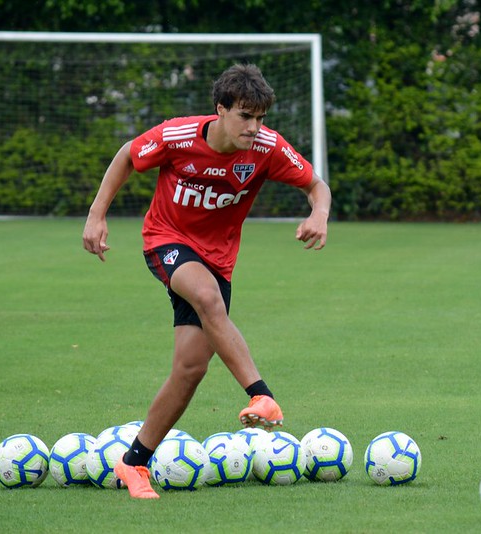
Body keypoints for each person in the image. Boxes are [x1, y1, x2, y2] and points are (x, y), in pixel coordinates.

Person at [82, 63, 331, 499]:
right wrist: (96, 214)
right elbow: (127, 155)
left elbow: (317, 185)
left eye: (260, 118)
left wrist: (319, 214)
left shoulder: (267, 148)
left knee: (191, 368)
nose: (254, 127)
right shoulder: (177, 136)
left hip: (218, 259)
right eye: (245, 116)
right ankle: (261, 394)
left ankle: (133, 464)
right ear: (220, 110)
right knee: (207, 297)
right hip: (166, 240)